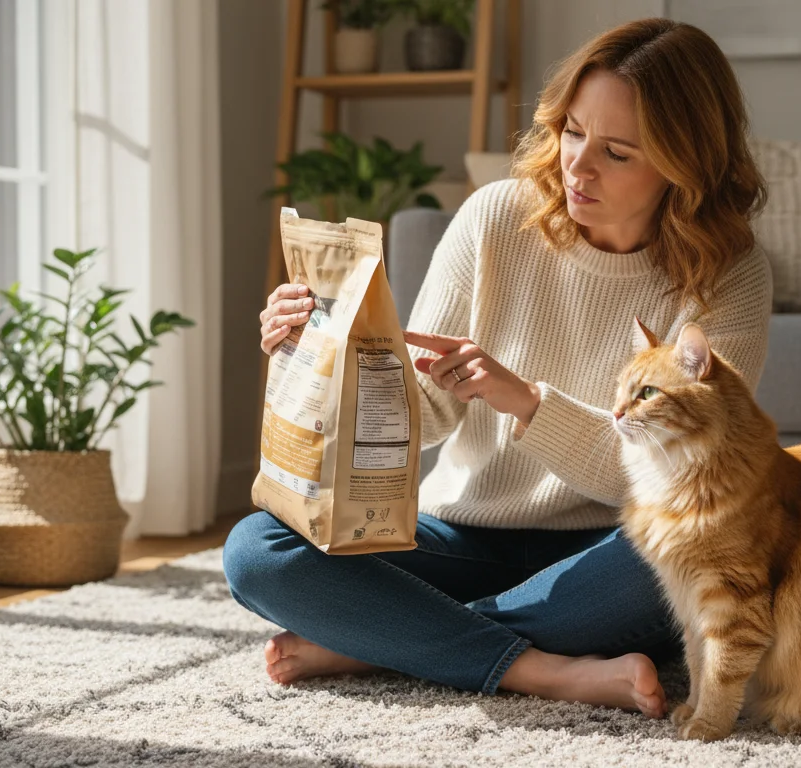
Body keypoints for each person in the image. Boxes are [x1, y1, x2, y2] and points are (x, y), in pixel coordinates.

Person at [224, 17, 772, 719]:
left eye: (617, 152)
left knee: (696, 560)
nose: (578, 166)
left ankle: (385, 640)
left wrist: (524, 400)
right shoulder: (494, 218)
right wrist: (314, 359)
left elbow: (689, 476)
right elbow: (416, 421)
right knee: (255, 550)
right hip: (460, 532)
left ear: (684, 164)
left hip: (616, 546)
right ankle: (544, 670)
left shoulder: (731, 276)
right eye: (572, 132)